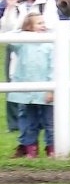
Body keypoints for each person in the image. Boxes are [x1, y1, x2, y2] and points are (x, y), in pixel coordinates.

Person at [1, 0, 60, 134]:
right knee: (18, 92)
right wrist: (11, 7)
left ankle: (39, 136)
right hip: (19, 53)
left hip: (41, 54)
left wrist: (29, 26)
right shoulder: (17, 1)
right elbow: (7, 29)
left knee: (41, 97)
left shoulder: (47, 2)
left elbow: (51, 26)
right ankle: (22, 136)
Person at [8, 12, 54, 158]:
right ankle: (31, 149)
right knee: (28, 121)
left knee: (49, 122)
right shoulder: (22, 42)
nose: (43, 25)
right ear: (29, 27)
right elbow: (10, 38)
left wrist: (50, 89)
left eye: (43, 22)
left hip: (45, 92)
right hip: (26, 92)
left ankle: (51, 148)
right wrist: (22, 29)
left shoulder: (49, 43)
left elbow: (53, 68)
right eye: (39, 23)